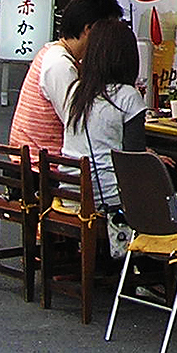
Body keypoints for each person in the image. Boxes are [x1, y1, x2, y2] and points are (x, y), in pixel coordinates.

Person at [7, 0, 124, 154]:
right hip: (45, 167)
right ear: (88, 29)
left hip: (40, 161)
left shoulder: (55, 52)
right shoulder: (59, 65)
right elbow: (79, 124)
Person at [59, 17, 146, 215]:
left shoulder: (75, 90)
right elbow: (135, 160)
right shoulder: (128, 96)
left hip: (70, 194)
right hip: (107, 200)